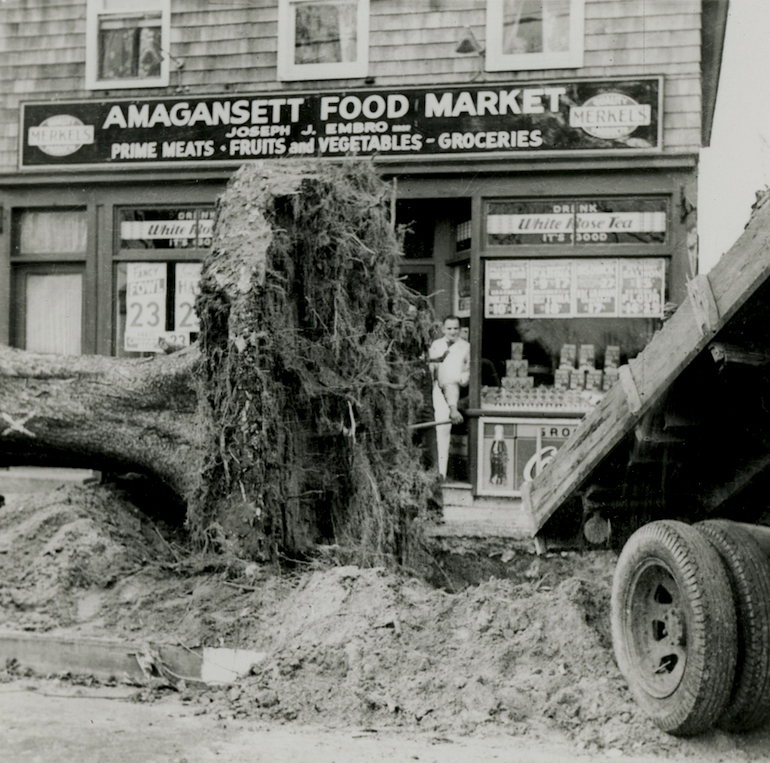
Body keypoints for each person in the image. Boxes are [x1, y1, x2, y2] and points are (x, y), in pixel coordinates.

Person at [429, 315, 470, 478]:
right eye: (449, 328)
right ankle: (438, 473)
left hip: (454, 389)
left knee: (445, 429)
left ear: (459, 330)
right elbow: (432, 367)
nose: (452, 331)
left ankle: (442, 473)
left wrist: (463, 378)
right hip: (437, 389)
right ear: (443, 329)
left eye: (455, 328)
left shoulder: (465, 346)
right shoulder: (436, 345)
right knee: (439, 430)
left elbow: (468, 369)